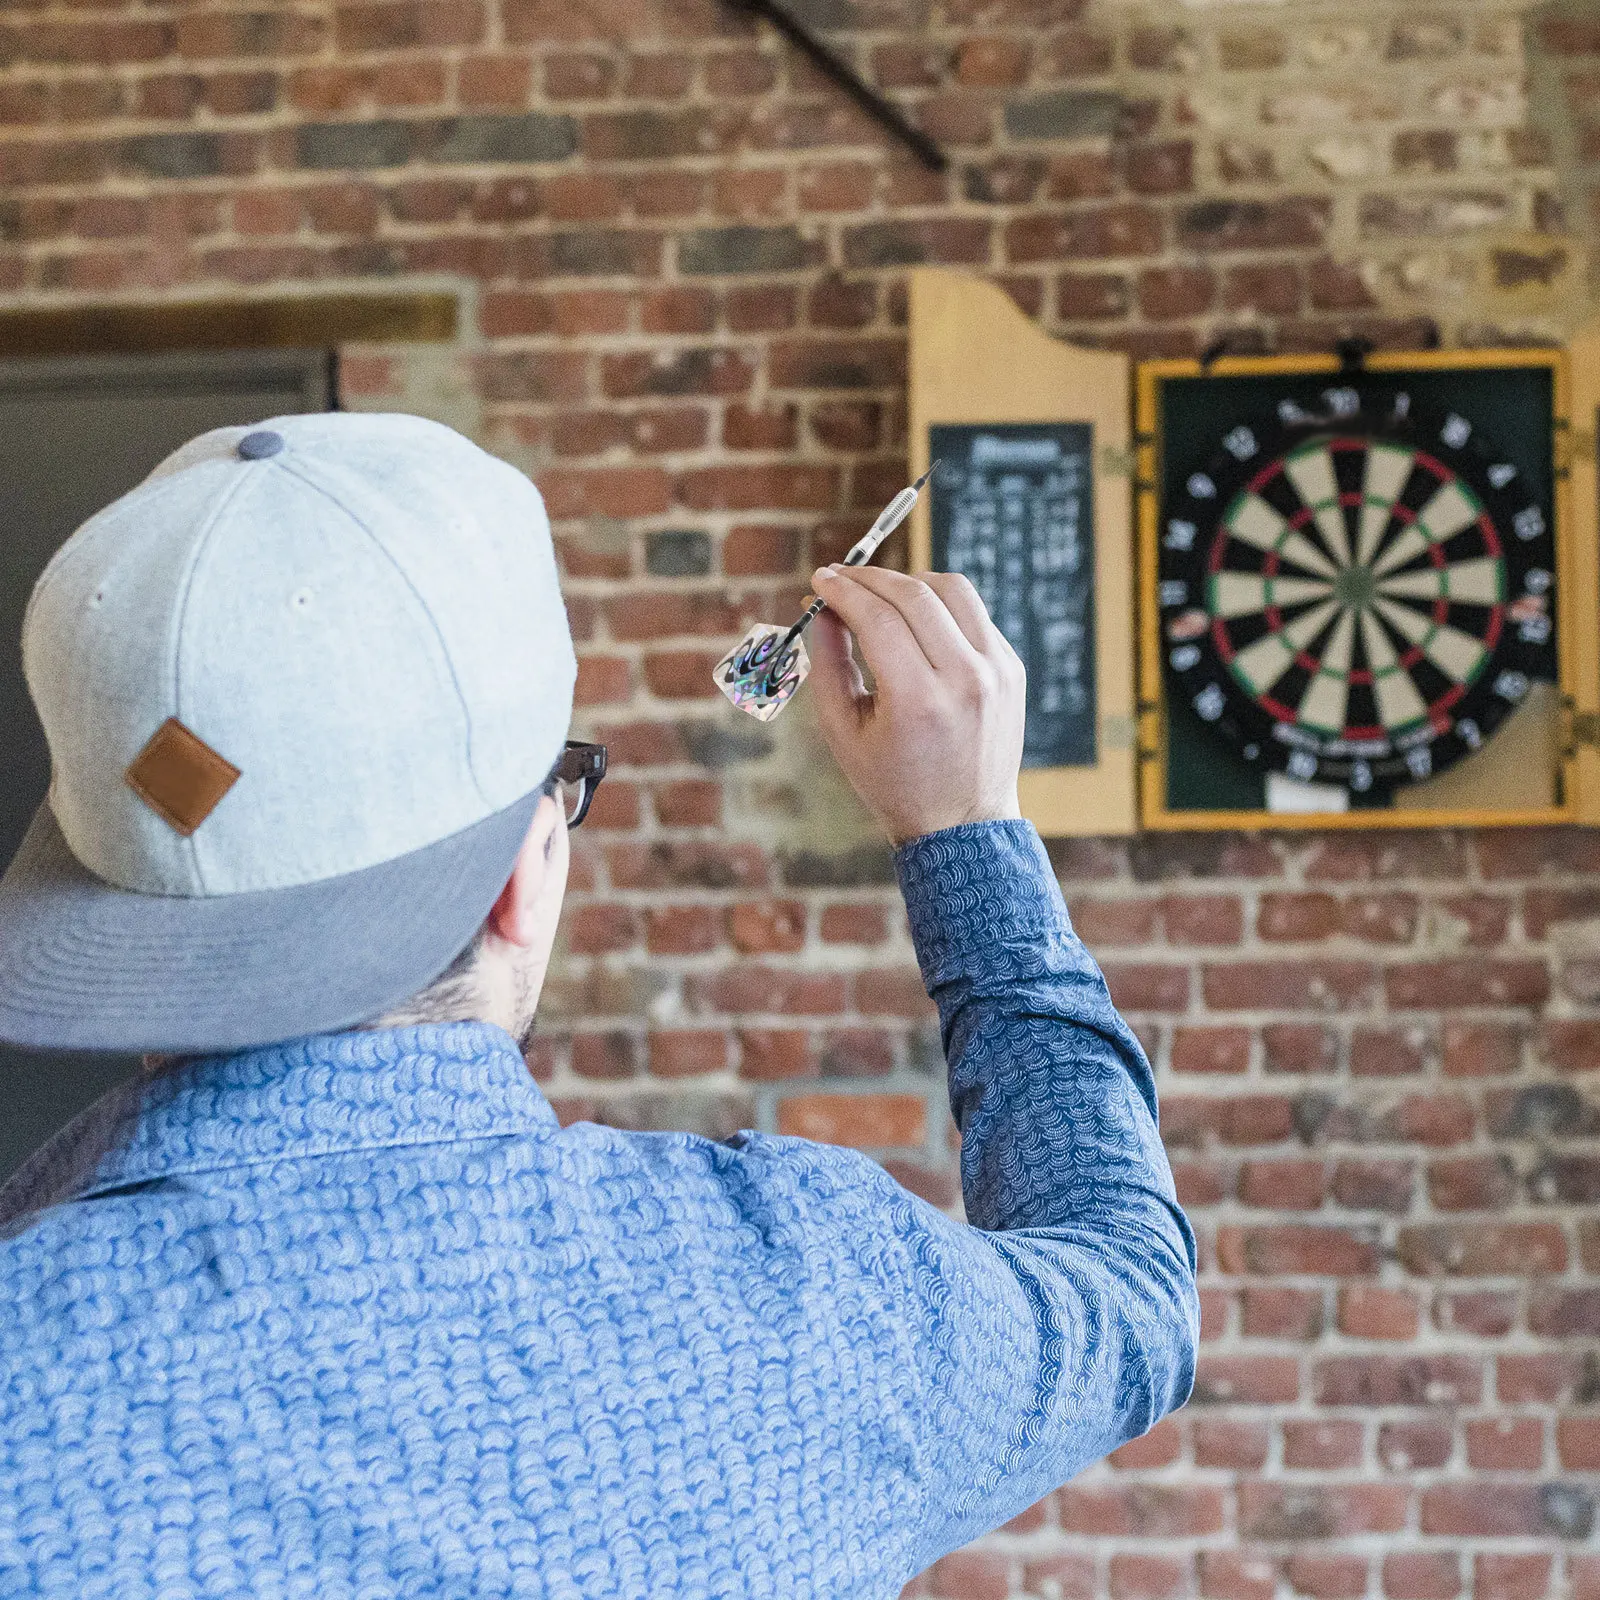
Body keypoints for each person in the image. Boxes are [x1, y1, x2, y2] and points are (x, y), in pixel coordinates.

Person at [0, 413, 1197, 1598]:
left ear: (98, 913)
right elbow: (1128, 1291)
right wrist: (967, 829)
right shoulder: (811, 1305)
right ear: (526, 878)